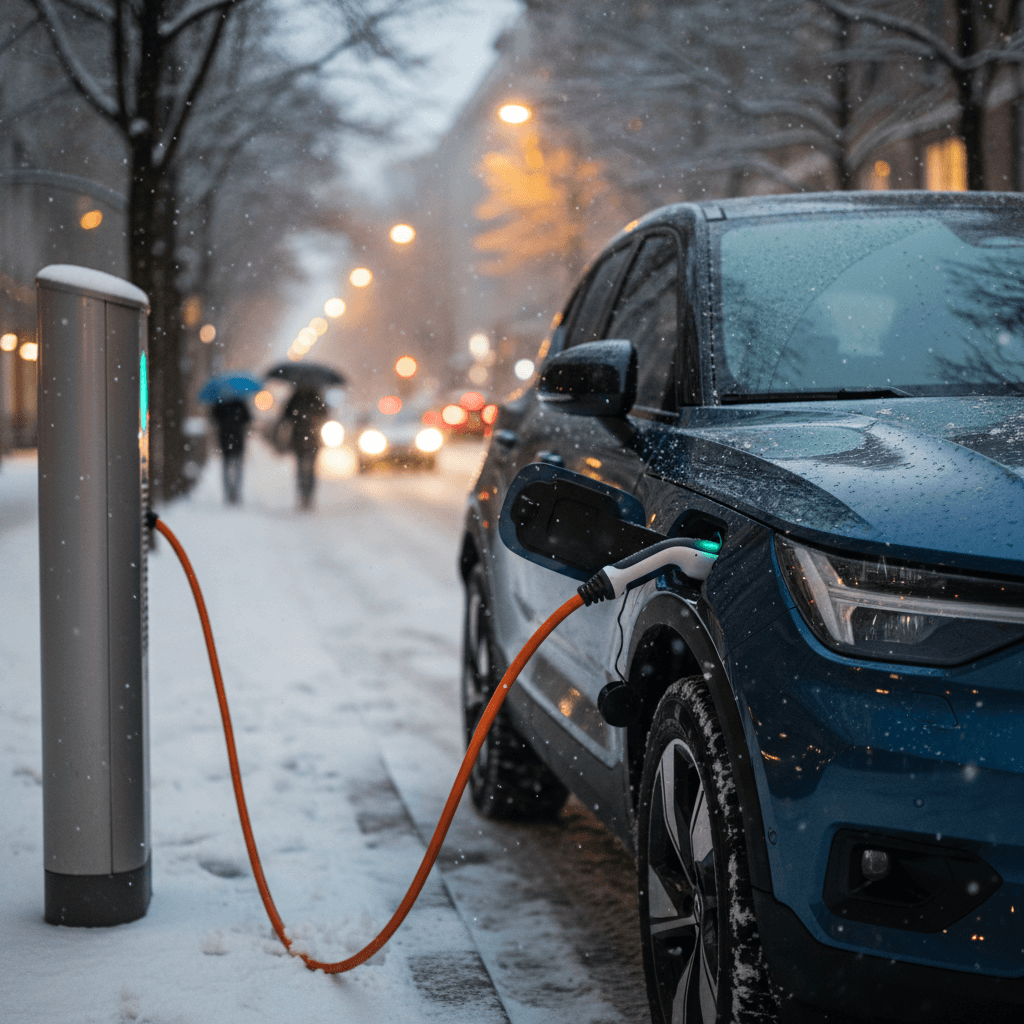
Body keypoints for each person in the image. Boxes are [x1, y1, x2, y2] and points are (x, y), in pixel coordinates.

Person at [280, 387, 327, 509]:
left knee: (301, 467)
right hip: (312, 438)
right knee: (310, 468)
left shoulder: (295, 398)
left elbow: (286, 416)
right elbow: (325, 414)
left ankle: (303, 495)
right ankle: (307, 495)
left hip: (300, 438)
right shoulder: (317, 398)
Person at [210, 398, 251, 504]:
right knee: (237, 466)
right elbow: (248, 418)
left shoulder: (220, 403)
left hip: (225, 439)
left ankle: (228, 492)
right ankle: (236, 491)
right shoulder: (240, 403)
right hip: (238, 439)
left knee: (226, 466)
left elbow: (214, 418)